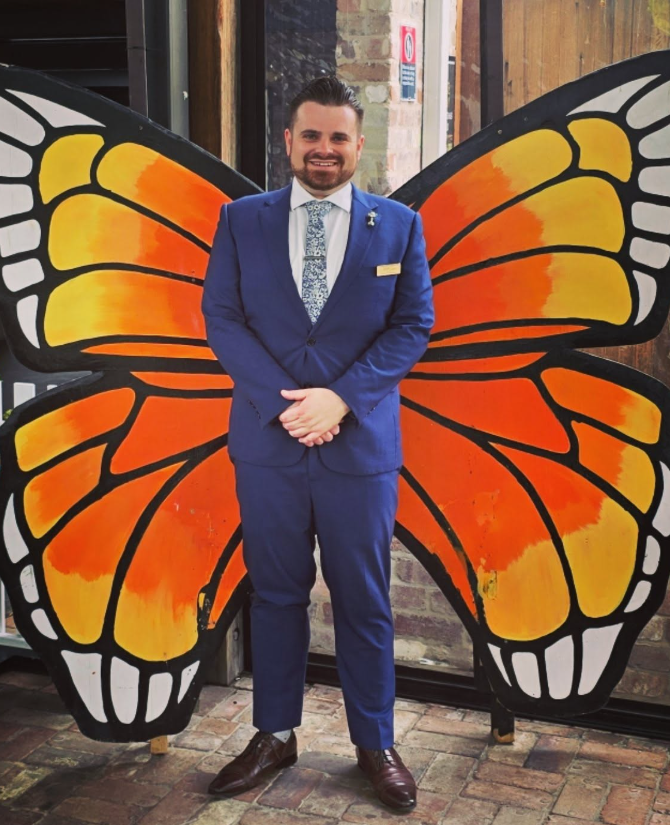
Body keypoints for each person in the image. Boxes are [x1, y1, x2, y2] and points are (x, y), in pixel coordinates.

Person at [201, 75, 434, 811]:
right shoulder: (241, 220)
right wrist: (287, 406)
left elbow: (412, 325)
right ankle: (275, 732)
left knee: (365, 600)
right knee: (274, 594)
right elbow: (223, 318)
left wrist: (342, 397)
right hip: (269, 449)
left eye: (338, 138)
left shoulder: (398, 226)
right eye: (311, 136)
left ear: (359, 145)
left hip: (359, 449)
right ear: (289, 141)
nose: (324, 150)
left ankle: (375, 740)